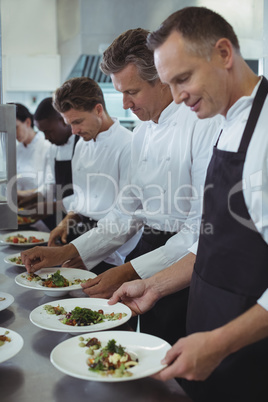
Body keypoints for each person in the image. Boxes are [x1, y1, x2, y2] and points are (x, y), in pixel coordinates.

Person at [107, 7, 268, 402]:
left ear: (224, 53)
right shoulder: (228, 121)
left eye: (183, 78)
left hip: (244, 349)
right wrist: (155, 285)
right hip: (208, 333)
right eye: (169, 83)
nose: (177, 96)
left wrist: (219, 342)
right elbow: (215, 241)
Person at [21, 28, 220, 345]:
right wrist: (67, 251)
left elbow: (198, 231)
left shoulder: (203, 124)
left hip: (186, 263)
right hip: (149, 249)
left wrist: (130, 270)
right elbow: (126, 213)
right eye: (120, 92)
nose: (124, 104)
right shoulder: (143, 132)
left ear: (162, 78)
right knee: (146, 344)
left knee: (174, 353)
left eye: (132, 92)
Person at [47, 76, 141, 274]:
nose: (73, 131)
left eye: (78, 121)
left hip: (115, 250)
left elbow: (128, 217)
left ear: (98, 110)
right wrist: (68, 220)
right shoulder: (82, 144)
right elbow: (83, 197)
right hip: (83, 236)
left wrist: (94, 255)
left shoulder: (128, 145)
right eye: (69, 124)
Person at [17, 97, 78, 229]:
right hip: (61, 221)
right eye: (42, 132)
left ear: (63, 121)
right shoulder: (53, 148)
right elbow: (51, 184)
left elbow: (86, 195)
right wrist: (33, 196)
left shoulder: (83, 144)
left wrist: (51, 206)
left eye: (48, 131)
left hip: (81, 220)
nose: (46, 137)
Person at [12, 103, 51, 191]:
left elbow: (48, 188)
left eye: (16, 127)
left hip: (38, 201)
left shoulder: (46, 146)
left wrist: (21, 195)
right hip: (20, 202)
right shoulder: (17, 149)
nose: (13, 133)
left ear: (28, 122)